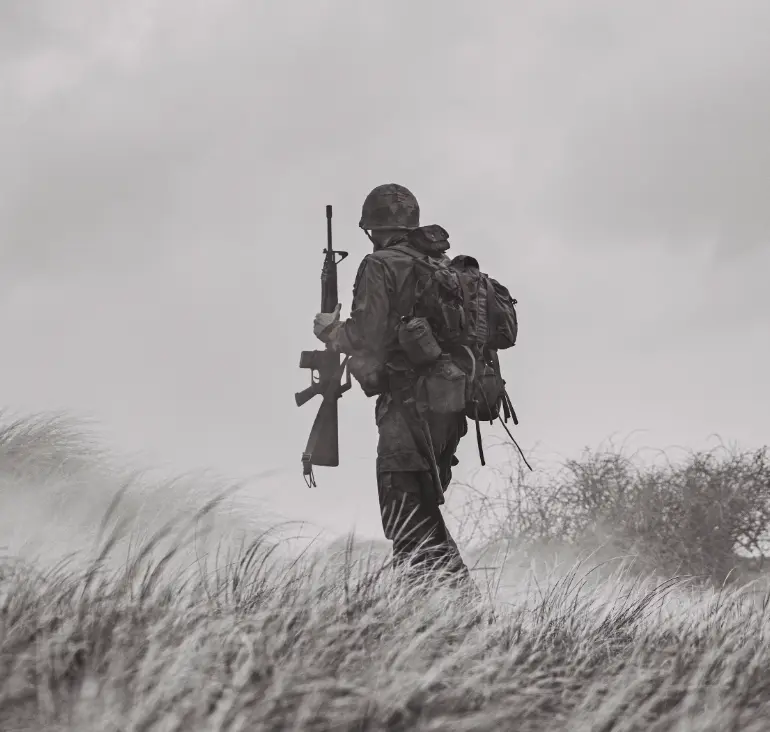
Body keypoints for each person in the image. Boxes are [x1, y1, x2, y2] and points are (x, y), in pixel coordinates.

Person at [312, 183, 478, 596]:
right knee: (418, 508)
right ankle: (433, 607)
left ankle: (453, 607)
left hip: (408, 406)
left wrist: (330, 331)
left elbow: (367, 334)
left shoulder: (379, 264)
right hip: (448, 406)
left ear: (373, 228)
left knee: (405, 512)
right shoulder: (440, 264)